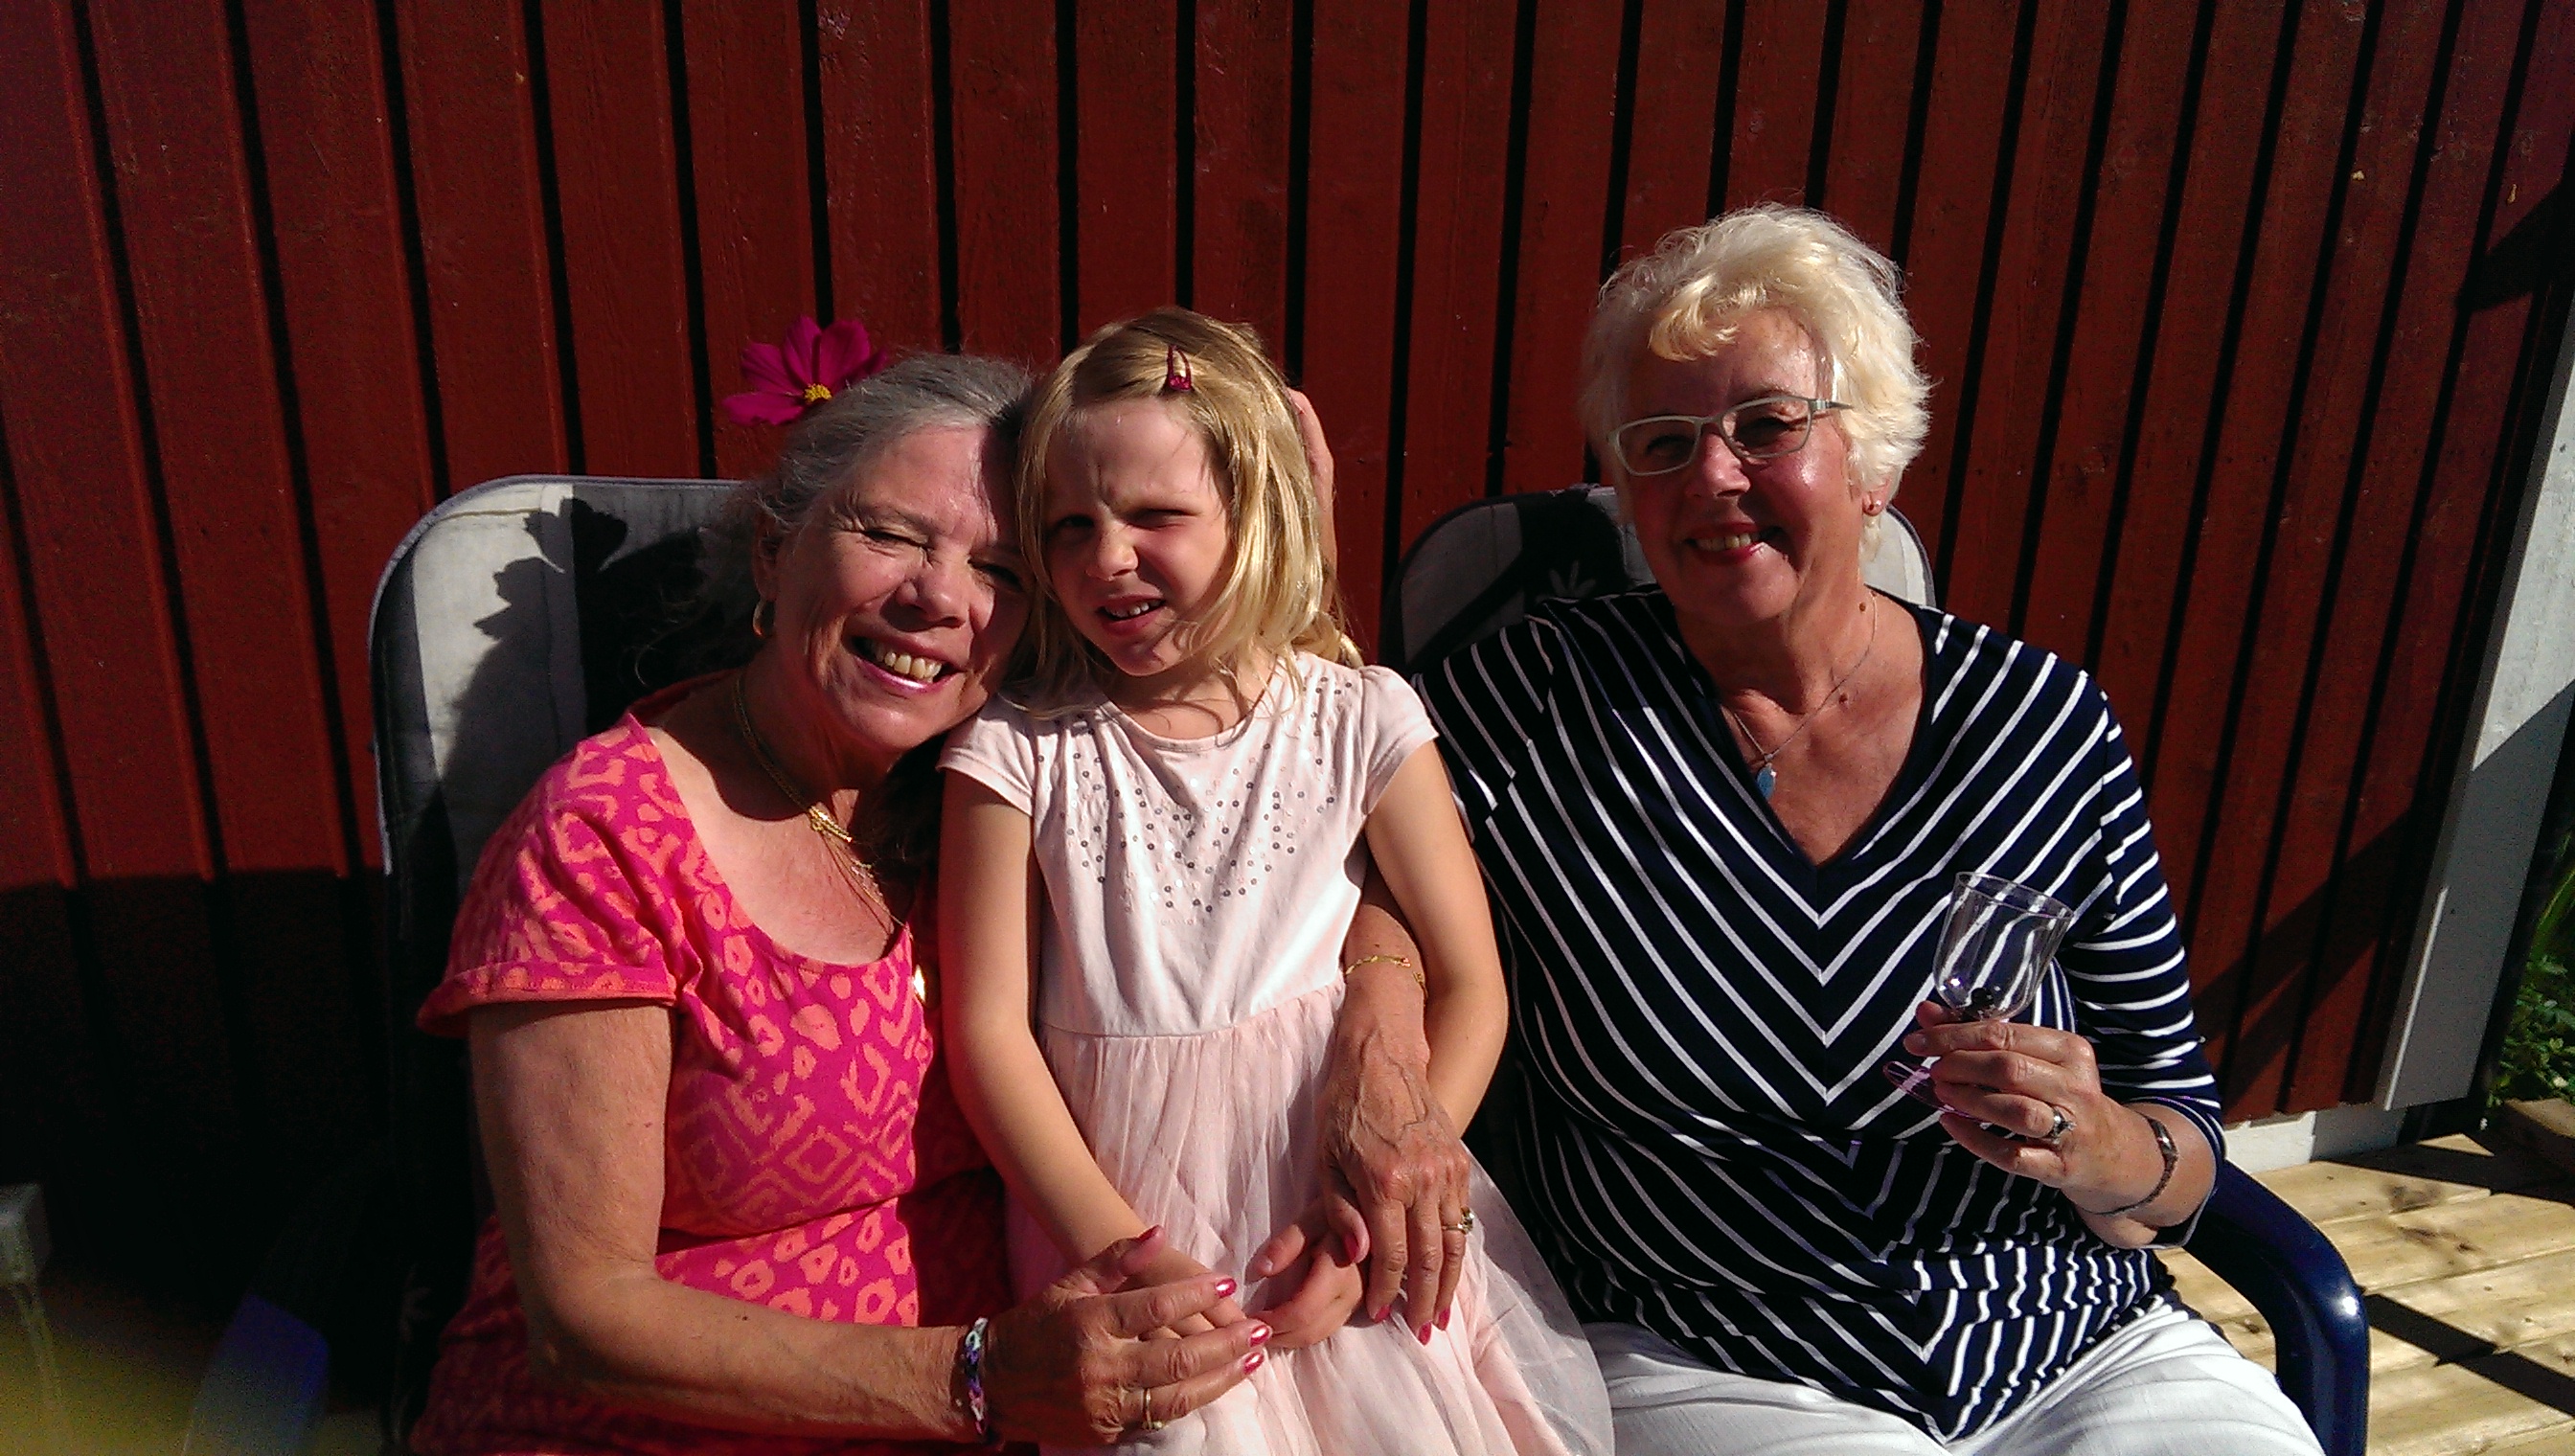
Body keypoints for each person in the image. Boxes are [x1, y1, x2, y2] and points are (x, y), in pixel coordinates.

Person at [406, 353, 1448, 1454]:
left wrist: (1381, 1001)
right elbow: (584, 1314)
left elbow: (1300, 797)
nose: (938, 597)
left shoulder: (1026, 789)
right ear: (773, 548)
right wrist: (976, 1379)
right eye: (890, 534)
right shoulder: (604, 838)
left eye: (1000, 566)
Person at [1405, 208, 2325, 1454]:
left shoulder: (2042, 720)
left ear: (1873, 461)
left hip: (2078, 1343)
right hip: (1716, 1349)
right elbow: (1338, 832)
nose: (1713, 476)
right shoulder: (1530, 703)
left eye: (1767, 426)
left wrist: (2100, 1142)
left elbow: (2182, 1140)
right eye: (1663, 444)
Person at [937, 308, 1612, 1454]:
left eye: (1156, 515)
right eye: (1068, 524)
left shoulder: (1361, 719)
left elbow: (1471, 981)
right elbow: (988, 1029)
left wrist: (1376, 1215)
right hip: (1119, 1224)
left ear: (1254, 512)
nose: (1107, 556)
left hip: (1330, 1218)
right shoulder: (1019, 748)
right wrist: (1126, 1252)